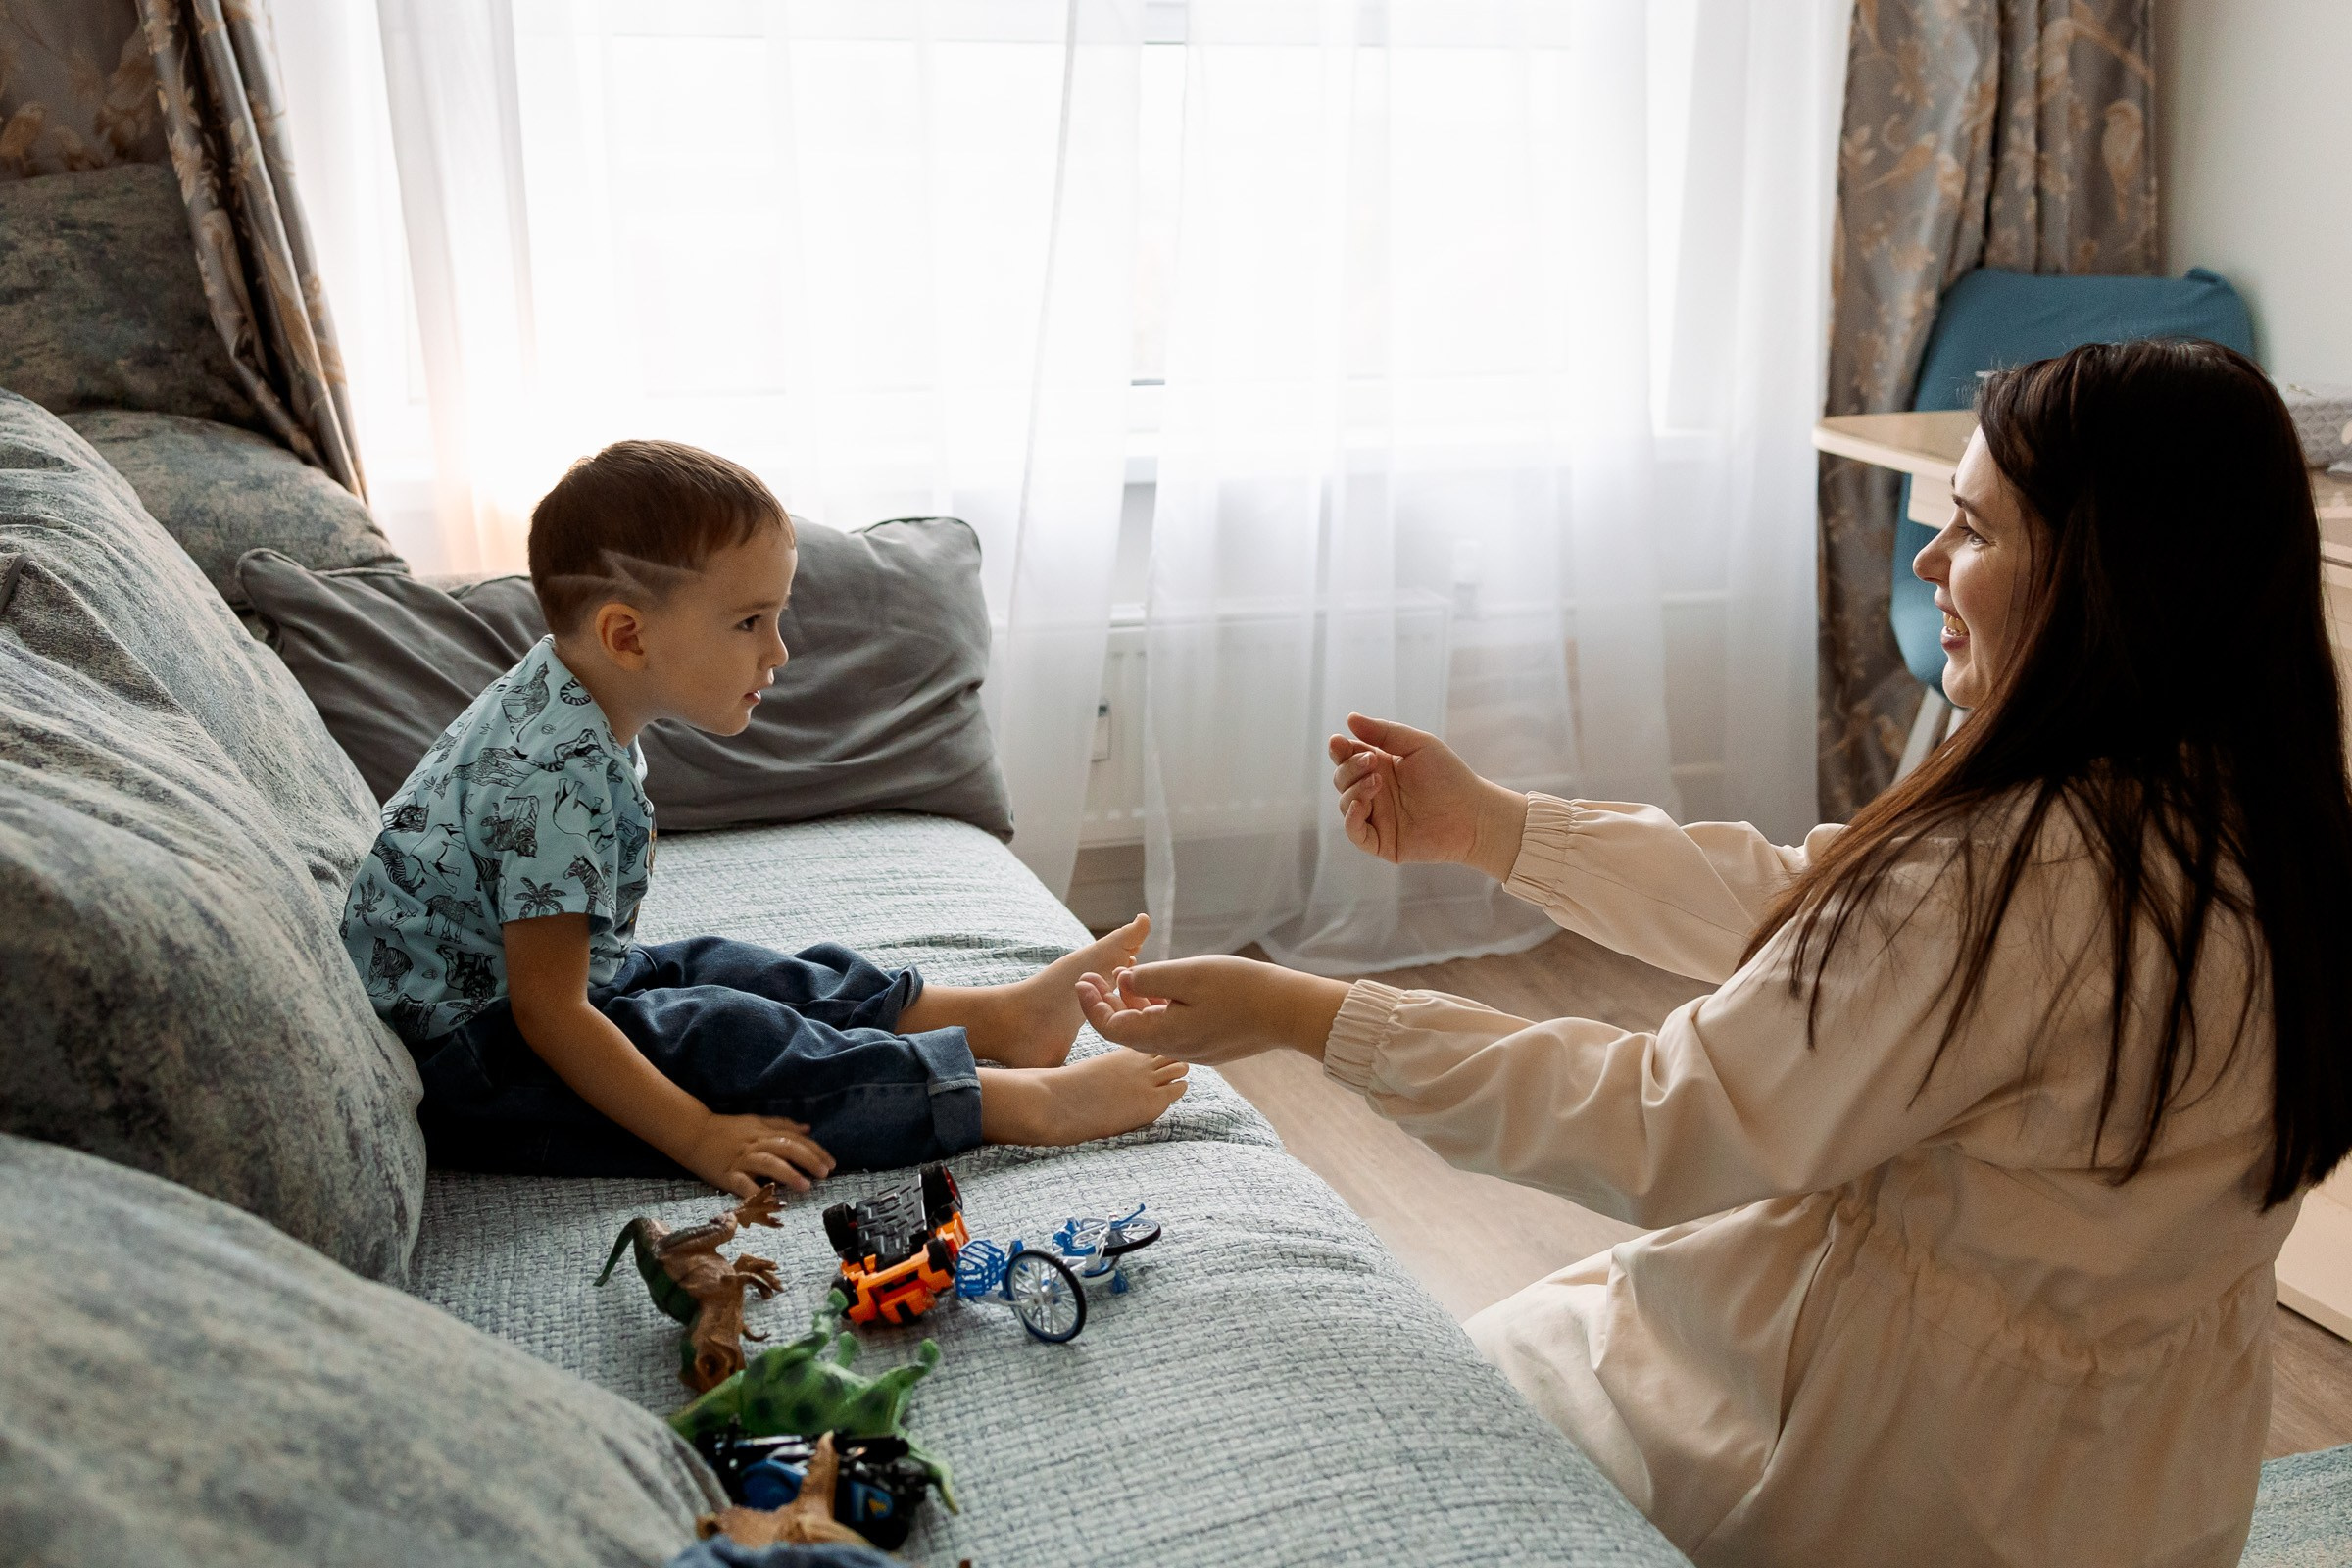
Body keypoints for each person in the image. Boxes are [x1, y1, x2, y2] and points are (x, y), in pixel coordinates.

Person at [1076, 339, 2352, 1566]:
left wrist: (1304, 1014)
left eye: (1972, 530)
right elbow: (1822, 909)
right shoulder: (2263, 828)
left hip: (1879, 1477)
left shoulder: (2002, 871)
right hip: (2148, 1493)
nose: (1926, 559)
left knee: (1389, 1421)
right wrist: (1498, 830)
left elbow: (1658, 1124)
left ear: (2104, 577)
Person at [341, 439, 1186, 1198]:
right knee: (731, 1039)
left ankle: (1002, 1019)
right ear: (627, 635)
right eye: (750, 622)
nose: (777, 651)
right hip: (483, 1065)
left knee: (730, 967)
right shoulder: (550, 778)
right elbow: (550, 1015)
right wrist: (698, 1135)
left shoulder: (564, 692)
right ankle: (1010, 1103)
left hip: (519, 998)